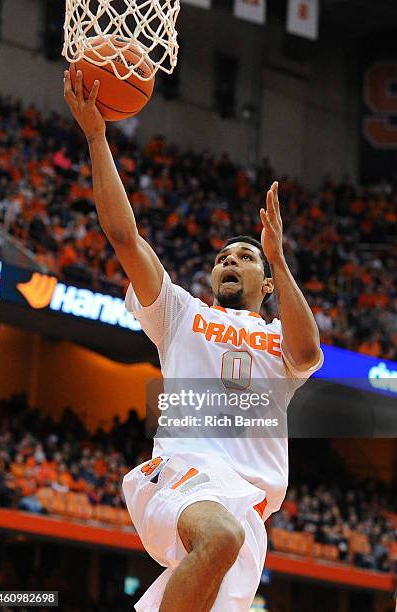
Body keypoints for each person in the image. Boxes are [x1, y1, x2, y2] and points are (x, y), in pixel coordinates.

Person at [64, 70, 323, 612]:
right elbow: (124, 236)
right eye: (222, 257)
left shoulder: (278, 339)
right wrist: (96, 137)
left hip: (249, 515)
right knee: (219, 535)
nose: (229, 260)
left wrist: (277, 254)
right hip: (186, 479)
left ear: (268, 283)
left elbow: (308, 355)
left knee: (217, 553)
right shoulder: (180, 312)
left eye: (244, 257)